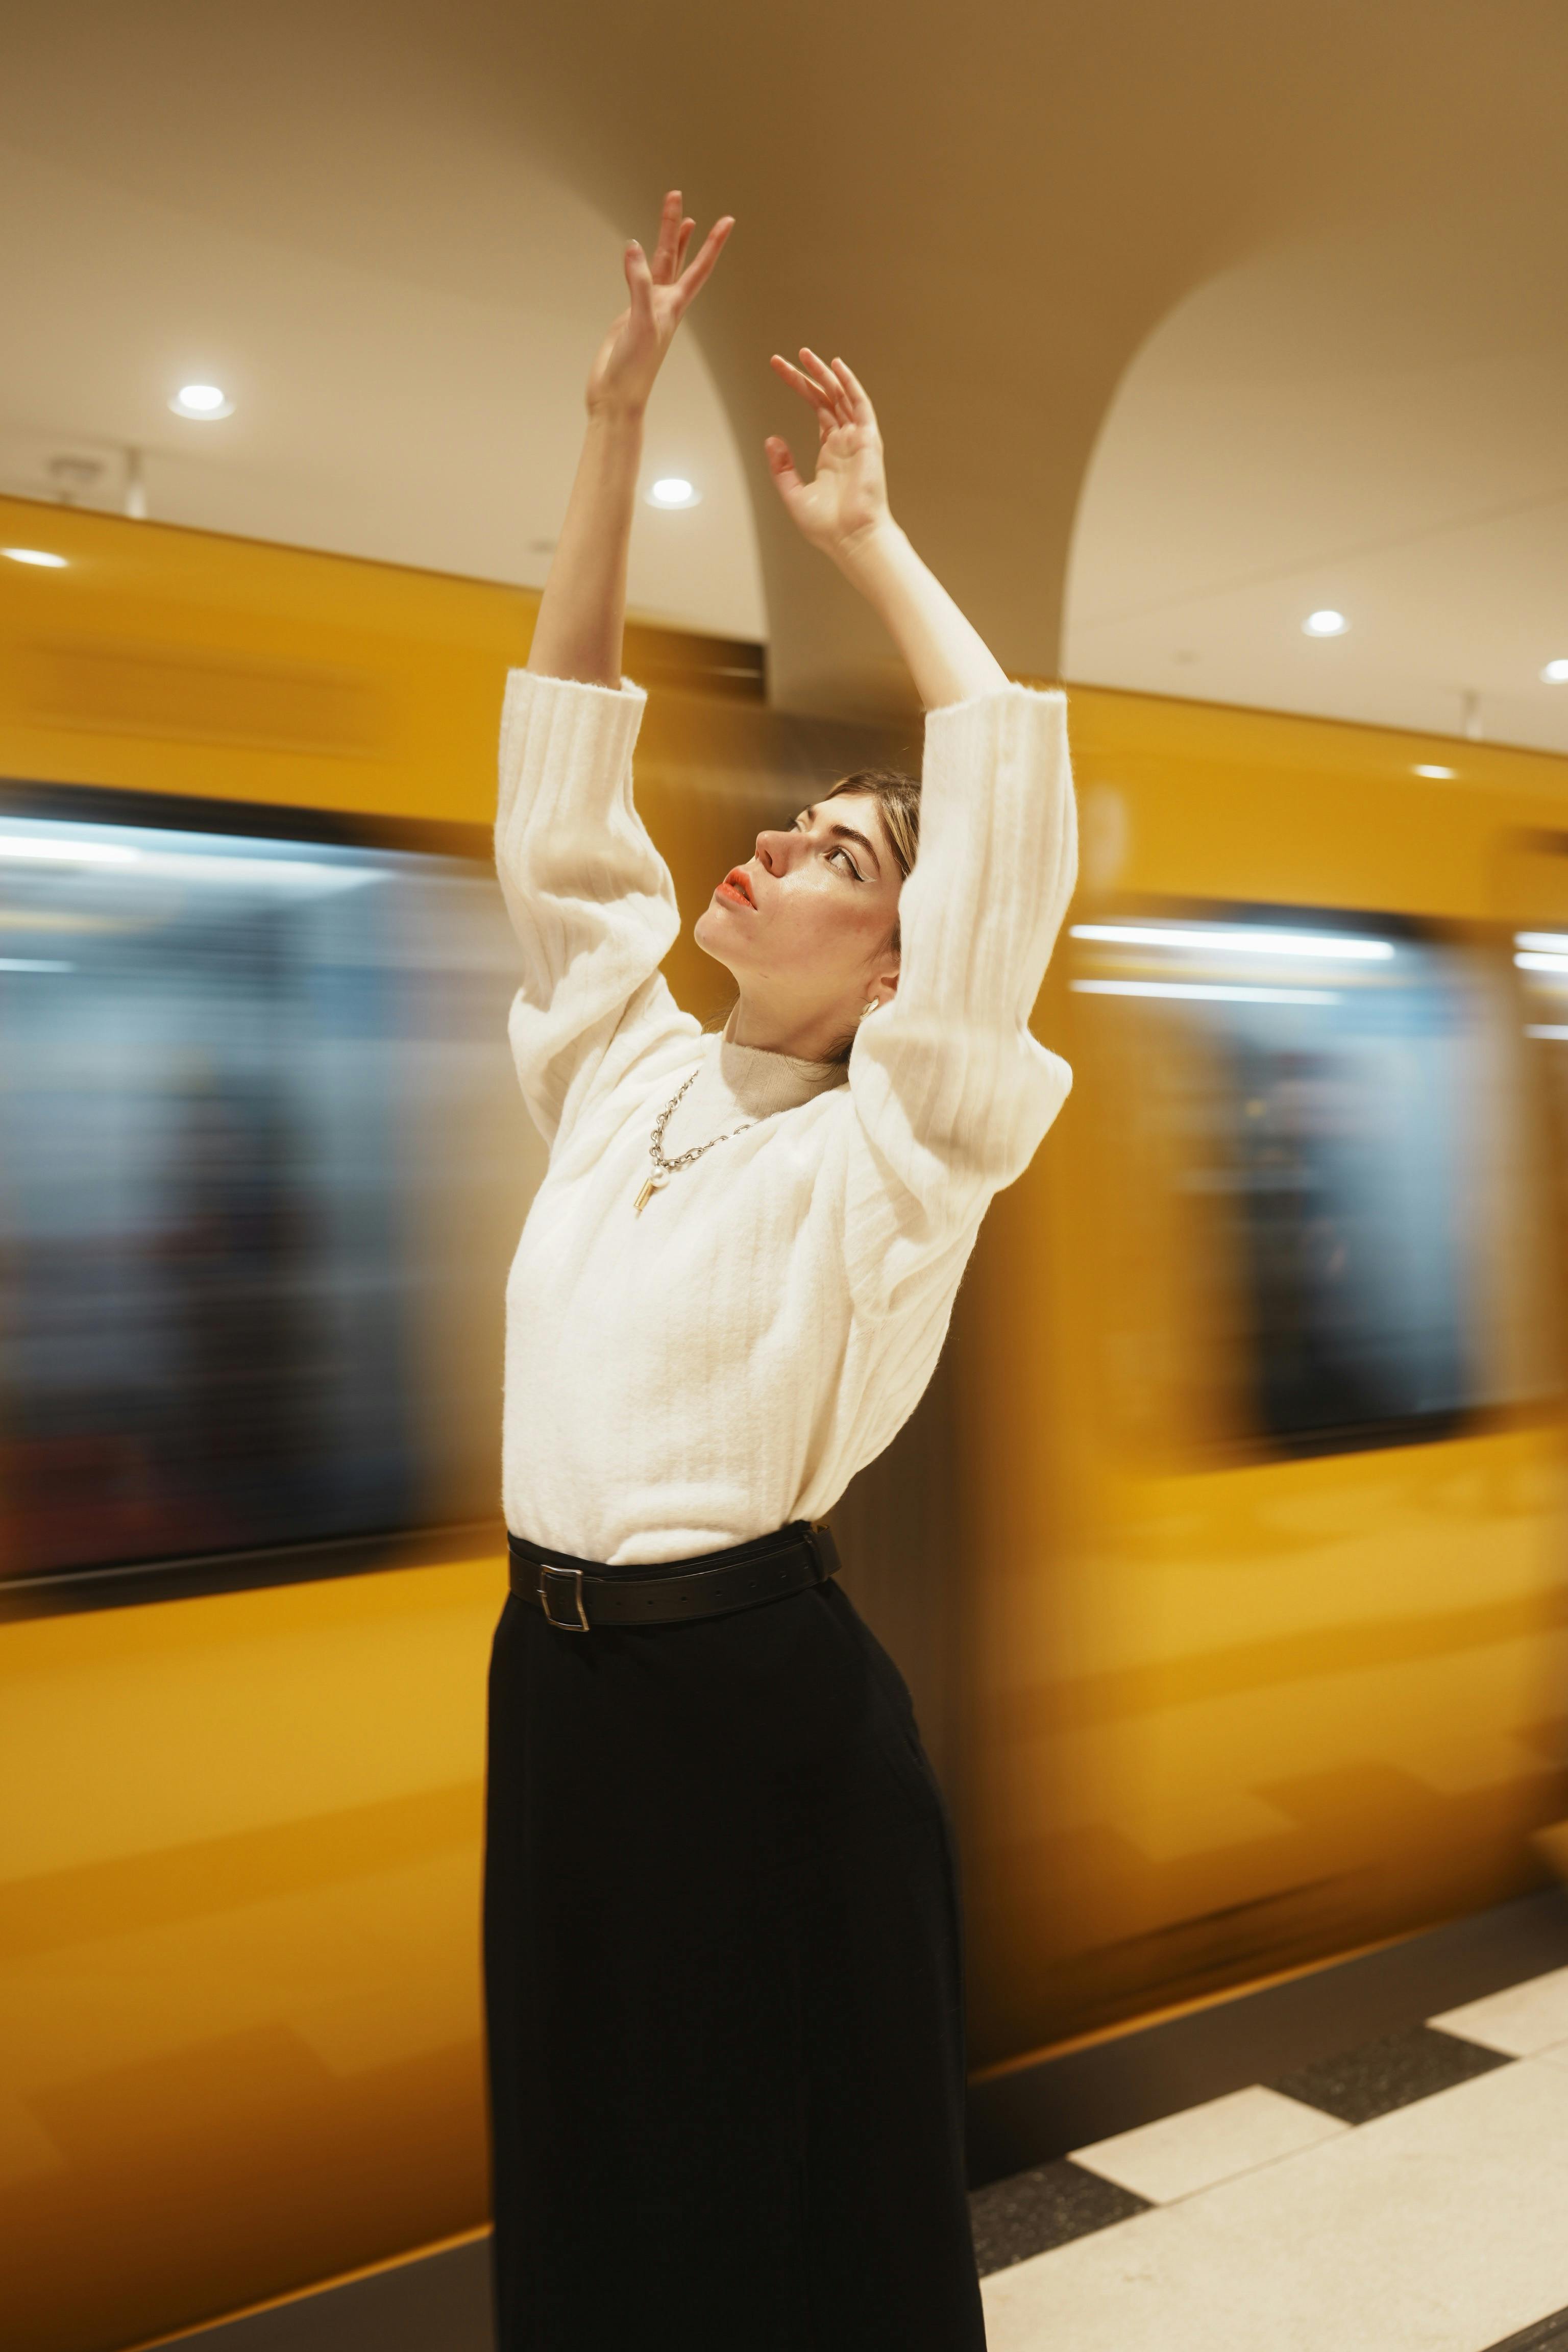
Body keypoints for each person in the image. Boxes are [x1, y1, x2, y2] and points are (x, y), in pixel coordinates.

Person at [483, 189, 1077, 2352]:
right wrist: (613, 420)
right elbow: (562, 790)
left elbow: (1004, 814)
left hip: (763, 1722)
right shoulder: (619, 1066)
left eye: (839, 856)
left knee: (792, 2228)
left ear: (907, 968)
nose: (771, 851)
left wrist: (867, 545)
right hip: (552, 1698)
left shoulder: (904, 1147)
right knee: (590, 2194)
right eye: (795, 827)